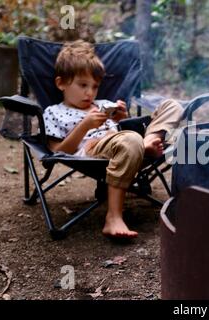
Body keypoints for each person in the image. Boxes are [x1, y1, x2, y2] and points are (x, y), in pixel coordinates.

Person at [43, 40, 183, 239]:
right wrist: (84, 126)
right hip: (94, 148)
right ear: (61, 83)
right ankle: (114, 217)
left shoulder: (102, 104)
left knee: (173, 106)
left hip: (126, 144)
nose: (89, 92)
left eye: (95, 86)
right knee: (131, 140)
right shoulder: (54, 112)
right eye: (83, 85)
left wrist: (123, 118)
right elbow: (58, 151)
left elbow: (124, 128)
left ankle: (147, 141)